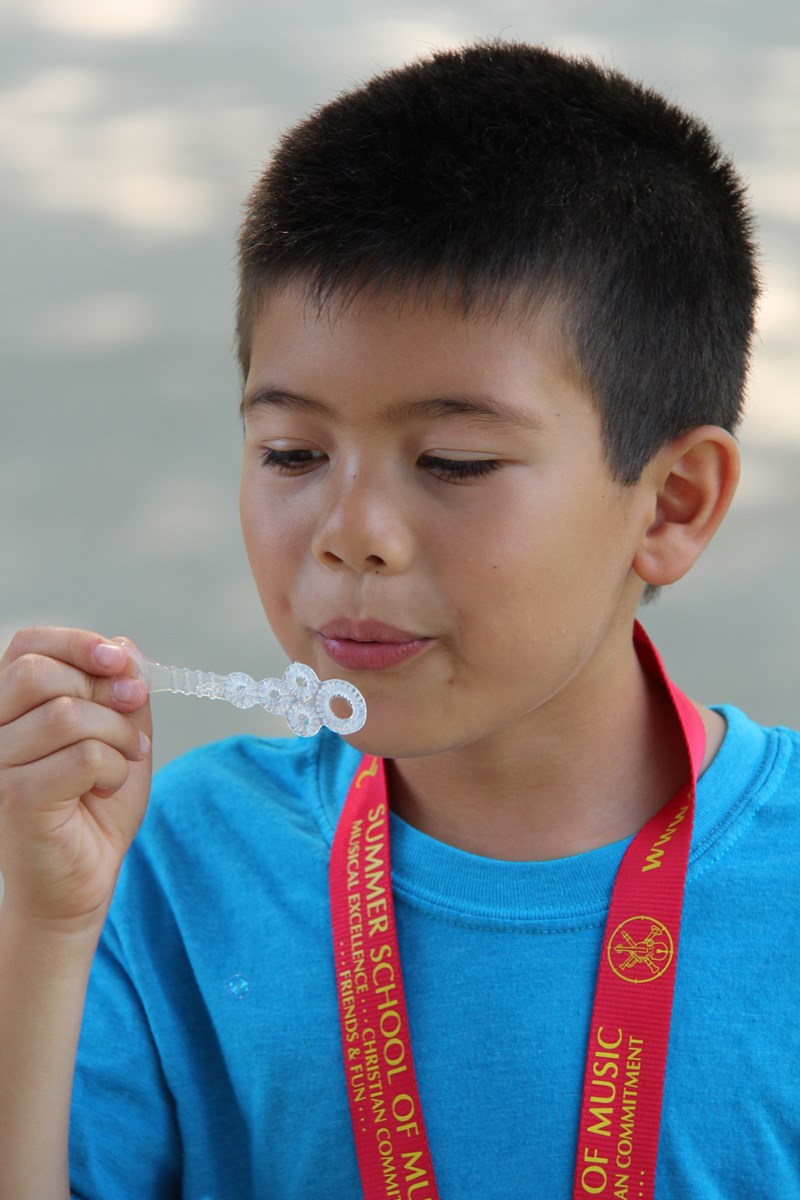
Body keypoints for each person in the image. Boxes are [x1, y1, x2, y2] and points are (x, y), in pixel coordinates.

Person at [0, 40, 797, 1200]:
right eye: (291, 452)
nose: (351, 532)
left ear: (670, 503)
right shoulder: (176, 863)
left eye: (452, 461)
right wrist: (44, 928)